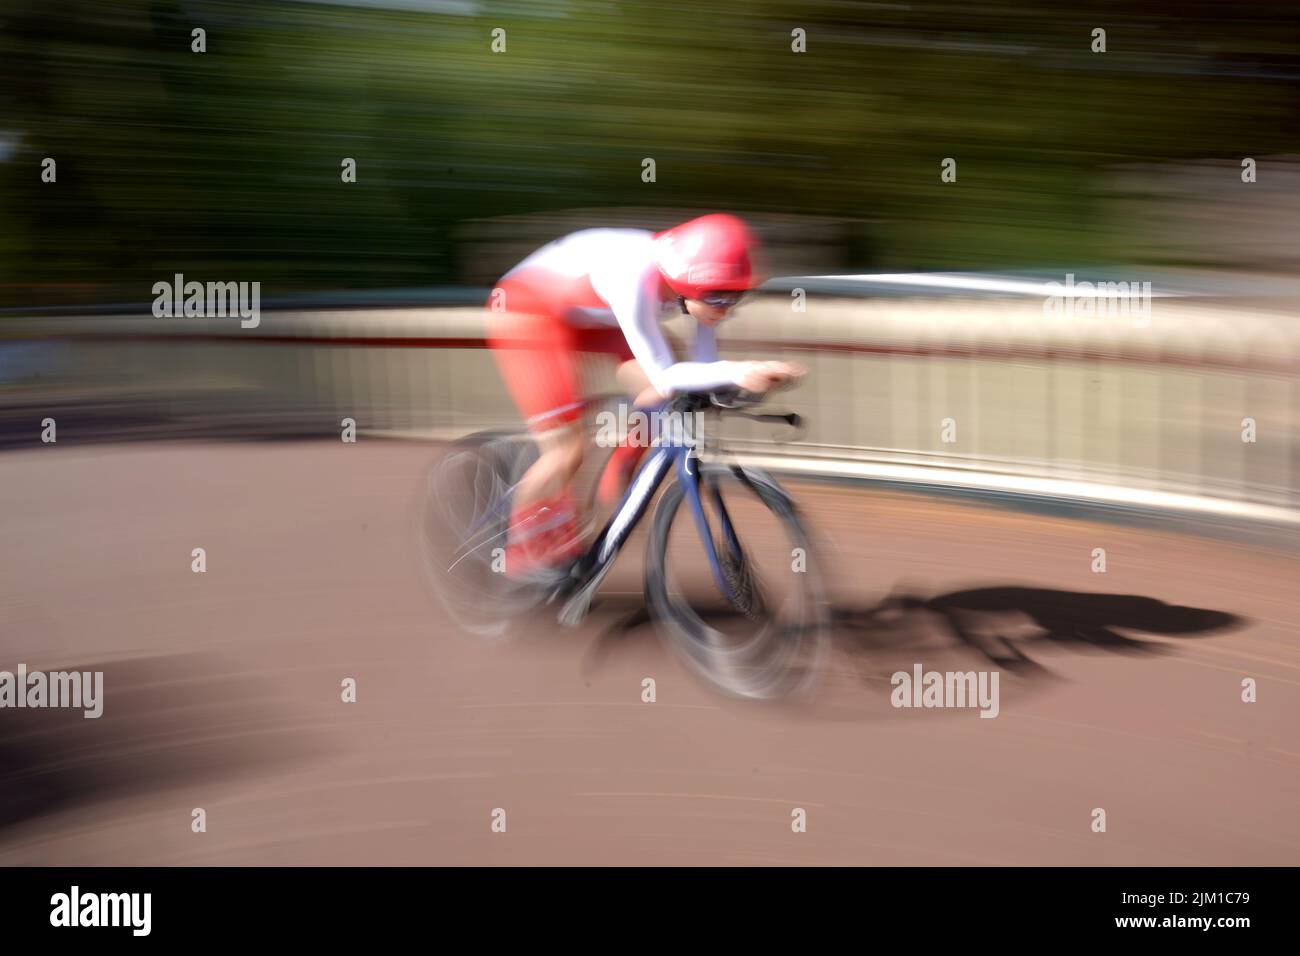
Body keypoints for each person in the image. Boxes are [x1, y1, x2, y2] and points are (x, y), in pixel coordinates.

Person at [486, 213, 804, 578]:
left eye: (737, 295)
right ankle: (519, 552)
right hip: (531, 310)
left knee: (667, 389)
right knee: (566, 450)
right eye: (718, 296)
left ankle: (621, 468)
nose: (726, 307)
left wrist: (735, 380)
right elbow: (669, 376)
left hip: (592, 316)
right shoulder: (632, 278)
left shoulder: (694, 286)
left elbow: (703, 367)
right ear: (685, 282)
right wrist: (741, 371)